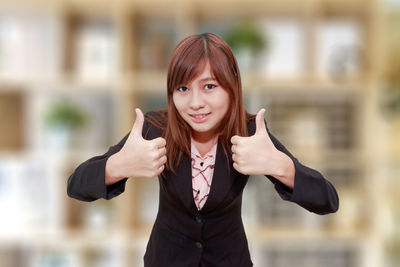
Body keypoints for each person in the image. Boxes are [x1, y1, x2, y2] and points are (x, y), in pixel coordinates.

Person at [67, 33, 339, 267]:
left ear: (232, 87)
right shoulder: (154, 128)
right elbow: (76, 185)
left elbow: (327, 200)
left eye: (209, 86)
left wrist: (280, 166)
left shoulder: (250, 131)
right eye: (183, 88)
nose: (195, 103)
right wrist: (117, 166)